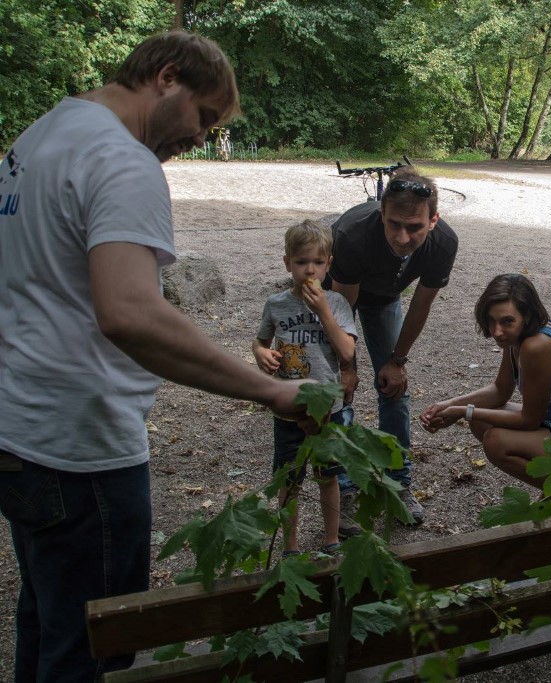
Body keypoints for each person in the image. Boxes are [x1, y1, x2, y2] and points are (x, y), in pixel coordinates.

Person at [0, 31, 312, 682]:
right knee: (93, 651)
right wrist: (271, 391)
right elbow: (131, 312)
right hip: (81, 451)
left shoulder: (37, 139)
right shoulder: (122, 159)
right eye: (205, 116)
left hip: (19, 435)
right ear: (167, 77)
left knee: (47, 624)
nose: (200, 138)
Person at [328, 168, 458, 526]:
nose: (402, 237)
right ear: (381, 213)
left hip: (386, 297)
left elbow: (420, 304)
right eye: (394, 224)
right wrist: (347, 368)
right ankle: (344, 488)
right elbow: (342, 312)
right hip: (338, 298)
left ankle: (398, 483)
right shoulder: (353, 235)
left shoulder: (444, 243)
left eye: (414, 227)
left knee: (395, 388)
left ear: (433, 220)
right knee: (340, 393)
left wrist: (397, 360)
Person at [419, 274, 551, 493]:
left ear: (527, 315)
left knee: (496, 442)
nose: (496, 331)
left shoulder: (537, 346)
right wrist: (449, 405)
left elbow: (529, 420)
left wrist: (464, 411)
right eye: (491, 320)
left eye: (506, 321)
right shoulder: (517, 338)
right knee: (480, 420)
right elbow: (500, 391)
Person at [253, 220, 358, 554]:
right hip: (289, 409)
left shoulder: (337, 304)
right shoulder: (276, 304)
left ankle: (330, 540)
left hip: (329, 408)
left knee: (328, 475)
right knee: (289, 480)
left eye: (317, 262)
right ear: (287, 263)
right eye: (301, 262)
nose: (309, 269)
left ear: (328, 265)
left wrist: (323, 311)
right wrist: (261, 354)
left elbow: (346, 352)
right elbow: (260, 341)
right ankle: (290, 545)